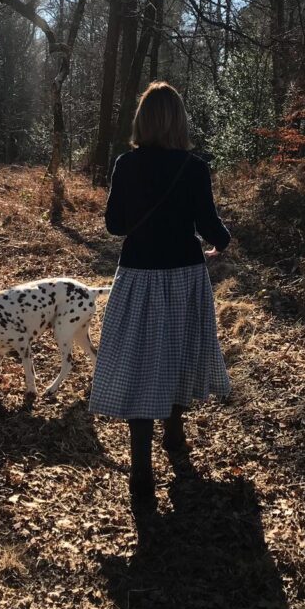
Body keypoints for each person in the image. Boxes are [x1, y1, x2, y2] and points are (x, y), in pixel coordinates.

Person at [89, 81, 231, 510]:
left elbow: (114, 225)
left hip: (137, 274)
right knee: (176, 352)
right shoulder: (195, 167)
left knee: (139, 362)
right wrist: (222, 241)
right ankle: (174, 432)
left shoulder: (126, 165)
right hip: (184, 275)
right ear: (179, 121)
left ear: (142, 120)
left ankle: (141, 471)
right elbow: (210, 225)